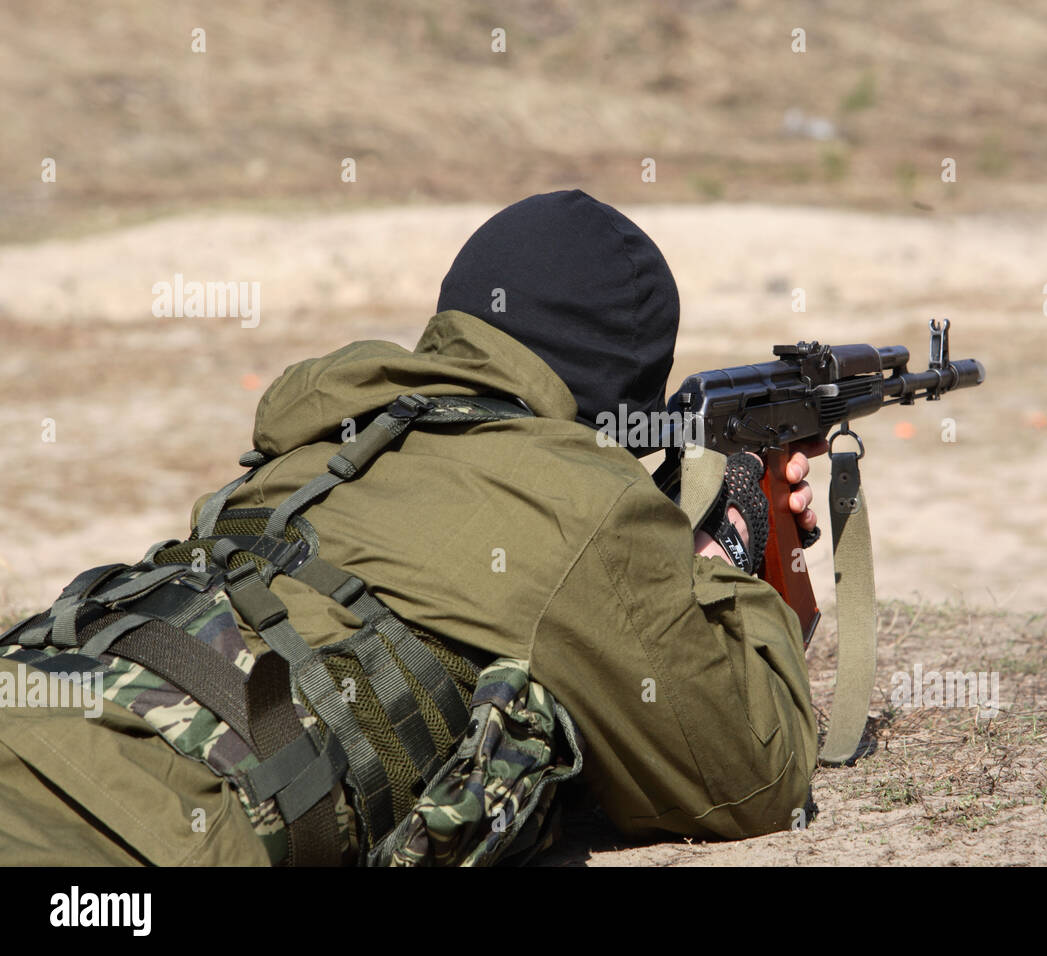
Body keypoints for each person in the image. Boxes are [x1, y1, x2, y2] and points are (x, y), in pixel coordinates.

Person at [0, 190, 822, 866]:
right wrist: (724, 549)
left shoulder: (323, 438)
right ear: (626, 388)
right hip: (126, 830)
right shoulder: (576, 505)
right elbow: (755, 774)